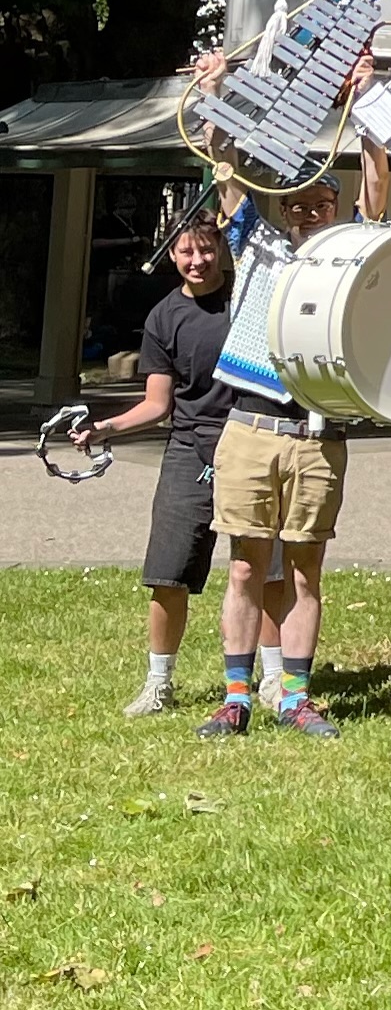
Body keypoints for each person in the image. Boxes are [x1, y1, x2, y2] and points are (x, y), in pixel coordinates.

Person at [199, 88, 389, 742]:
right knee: (248, 566)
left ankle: (297, 697)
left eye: (321, 202)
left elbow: (376, 182)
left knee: (306, 568)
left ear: (336, 208)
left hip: (318, 431)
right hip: (250, 424)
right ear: (282, 208)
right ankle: (235, 696)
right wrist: (221, 93)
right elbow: (226, 169)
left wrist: (364, 104)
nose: (310, 211)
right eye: (299, 203)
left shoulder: (353, 254)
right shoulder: (258, 242)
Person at [91, 209, 238, 718]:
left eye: (205, 249)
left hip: (250, 443)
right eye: (185, 251)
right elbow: (158, 405)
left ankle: (273, 680)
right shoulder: (164, 317)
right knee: (167, 572)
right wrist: (104, 429)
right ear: (172, 256)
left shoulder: (246, 302)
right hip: (188, 450)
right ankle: (159, 684)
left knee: (265, 570)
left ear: (220, 247)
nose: (196, 260)